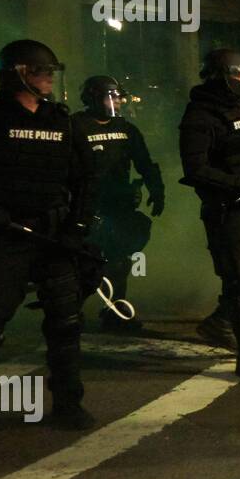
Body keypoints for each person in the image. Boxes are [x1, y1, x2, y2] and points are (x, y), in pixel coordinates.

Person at [0, 40, 98, 433]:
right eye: (41, 72)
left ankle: (67, 404)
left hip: (55, 237)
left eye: (50, 73)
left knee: (66, 323)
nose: (48, 79)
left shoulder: (63, 123)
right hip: (5, 238)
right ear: (18, 74)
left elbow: (87, 181)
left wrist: (77, 227)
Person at [180, 50, 240, 384]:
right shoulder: (200, 116)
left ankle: (221, 320)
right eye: (237, 75)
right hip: (228, 208)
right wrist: (239, 184)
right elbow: (195, 169)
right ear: (220, 78)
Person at [72, 75, 164, 332]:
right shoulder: (76, 127)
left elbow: (144, 162)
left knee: (120, 259)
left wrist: (156, 189)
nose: (116, 103)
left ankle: (114, 309)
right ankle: (69, 310)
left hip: (118, 205)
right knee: (85, 261)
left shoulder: (126, 129)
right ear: (91, 98)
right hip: (86, 205)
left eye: (118, 97)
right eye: (108, 96)